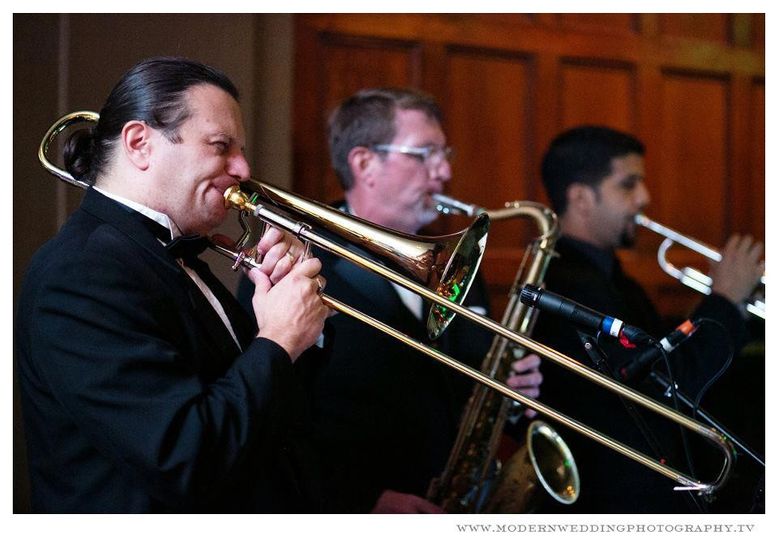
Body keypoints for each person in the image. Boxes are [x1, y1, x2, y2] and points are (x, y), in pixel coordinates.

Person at [15, 57, 330, 513]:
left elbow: (269, 418)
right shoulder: (79, 274)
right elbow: (184, 458)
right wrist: (278, 340)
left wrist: (303, 329)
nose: (242, 168)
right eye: (221, 146)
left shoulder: (170, 254)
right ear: (140, 144)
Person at [305, 88, 542, 512]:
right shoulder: (299, 261)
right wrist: (361, 502)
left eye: (444, 153)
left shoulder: (455, 260)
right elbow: (284, 418)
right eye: (425, 154)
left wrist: (507, 390)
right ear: (364, 163)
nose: (444, 171)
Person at [532, 125, 764, 513]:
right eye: (628, 184)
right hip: (616, 500)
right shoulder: (565, 283)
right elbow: (668, 386)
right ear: (581, 198)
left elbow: (671, 351)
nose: (645, 198)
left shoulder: (615, 279)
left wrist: (737, 307)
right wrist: (724, 299)